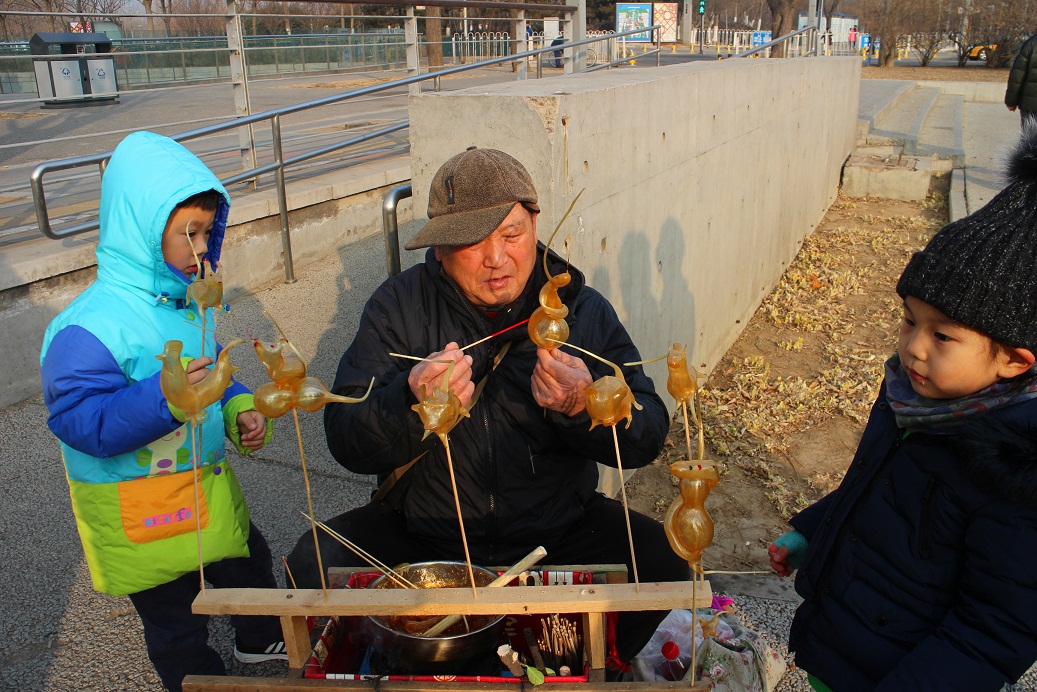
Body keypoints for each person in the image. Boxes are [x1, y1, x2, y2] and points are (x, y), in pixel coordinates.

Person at [286, 146, 689, 669]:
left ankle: (590, 664)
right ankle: (406, 659)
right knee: (311, 563)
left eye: (511, 234)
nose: (496, 258)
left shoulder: (580, 310)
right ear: (438, 251)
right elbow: (344, 436)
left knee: (666, 561)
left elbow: (650, 431)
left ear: (536, 223)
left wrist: (585, 403)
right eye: (472, 242)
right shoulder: (398, 307)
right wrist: (410, 402)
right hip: (427, 534)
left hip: (556, 532)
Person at [767, 124, 1037, 691]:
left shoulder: (1016, 468)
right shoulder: (915, 402)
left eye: (944, 336)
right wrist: (813, 533)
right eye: (910, 320)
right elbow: (877, 491)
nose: (913, 346)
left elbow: (995, 628)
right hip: (844, 647)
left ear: (1013, 360)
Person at [40, 131, 286, 692]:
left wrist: (239, 405)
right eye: (187, 233)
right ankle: (194, 678)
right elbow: (81, 421)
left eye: (206, 231)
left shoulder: (185, 305)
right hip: (139, 506)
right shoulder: (88, 327)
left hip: (202, 487)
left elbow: (211, 378)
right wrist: (165, 399)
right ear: (143, 233)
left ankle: (258, 638)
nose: (201, 248)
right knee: (173, 616)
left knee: (247, 563)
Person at [1006, 33, 1037, 127]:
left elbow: (1018, 75)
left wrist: (1011, 101)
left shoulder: (1032, 43)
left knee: (1029, 138)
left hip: (1031, 106)